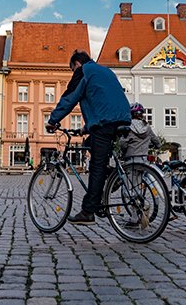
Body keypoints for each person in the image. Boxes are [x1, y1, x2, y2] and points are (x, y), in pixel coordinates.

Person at [45, 50, 130, 225]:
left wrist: (53, 120)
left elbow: (70, 98)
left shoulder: (83, 71)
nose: (73, 73)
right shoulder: (105, 70)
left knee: (96, 166)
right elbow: (101, 99)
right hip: (121, 117)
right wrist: (86, 128)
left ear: (76, 64)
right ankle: (111, 174)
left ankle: (88, 210)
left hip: (105, 122)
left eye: (72, 70)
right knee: (91, 144)